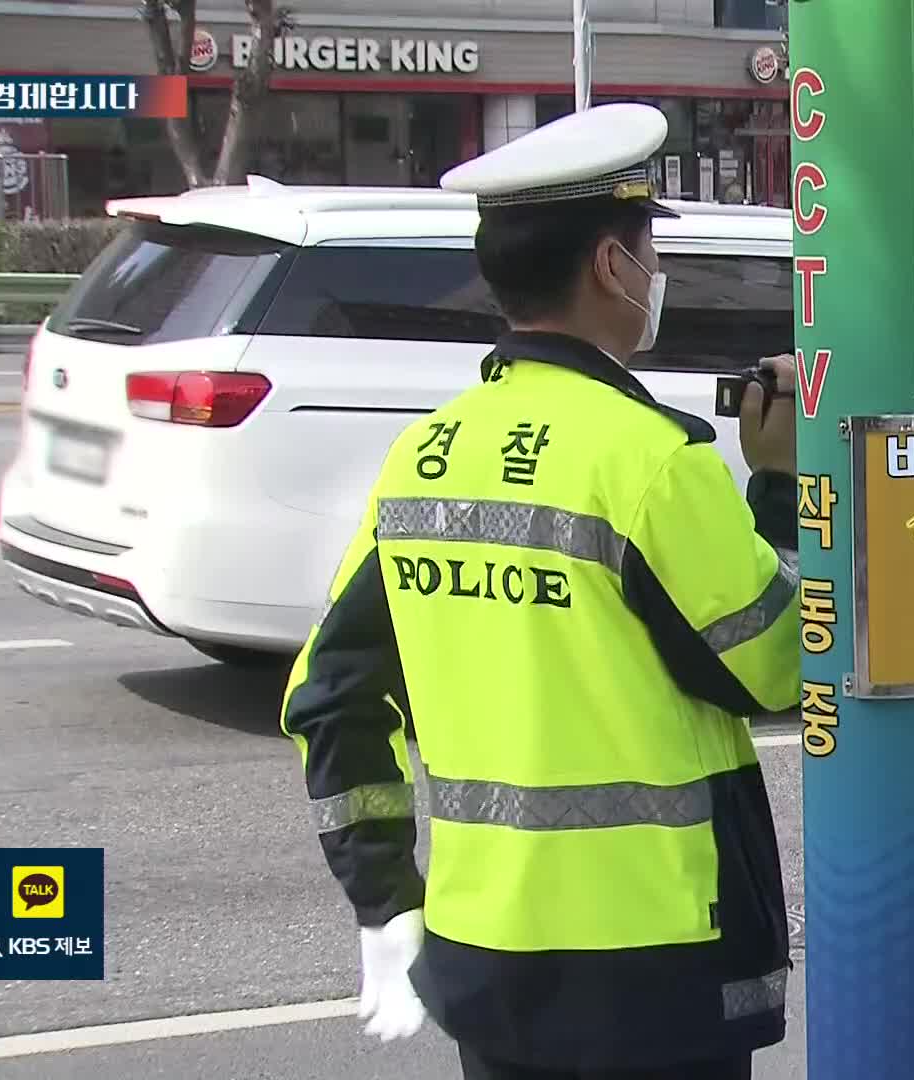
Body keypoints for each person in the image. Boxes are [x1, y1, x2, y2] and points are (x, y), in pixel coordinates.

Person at [278, 102, 802, 1080]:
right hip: (650, 962)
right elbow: (777, 664)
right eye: (650, 251)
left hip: (486, 956)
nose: (656, 275)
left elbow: (329, 696)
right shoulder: (650, 460)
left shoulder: (424, 458)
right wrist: (777, 486)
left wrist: (386, 899)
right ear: (613, 266)